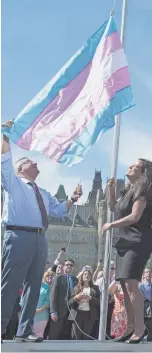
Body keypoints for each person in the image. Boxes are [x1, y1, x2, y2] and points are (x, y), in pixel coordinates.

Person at [1, 120, 82, 342]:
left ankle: (24, 330)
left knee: (34, 285)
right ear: (21, 168)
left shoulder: (43, 192)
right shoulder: (13, 182)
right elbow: (4, 160)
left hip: (39, 238)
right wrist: (4, 134)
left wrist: (72, 199)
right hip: (18, 236)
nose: (36, 163)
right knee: (10, 284)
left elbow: (58, 210)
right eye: (31, 162)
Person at [102, 158, 152, 344]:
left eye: (136, 166)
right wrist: (111, 191)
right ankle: (131, 326)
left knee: (132, 285)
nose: (131, 166)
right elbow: (113, 207)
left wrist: (111, 224)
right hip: (124, 242)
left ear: (143, 173)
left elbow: (134, 217)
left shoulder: (143, 191)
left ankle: (140, 328)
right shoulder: (128, 191)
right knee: (125, 287)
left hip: (137, 240)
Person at [68, 270, 100, 340]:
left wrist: (90, 298)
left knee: (86, 336)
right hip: (77, 315)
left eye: (88, 274)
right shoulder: (76, 288)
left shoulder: (95, 288)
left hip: (89, 315)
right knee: (76, 336)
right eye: (85, 274)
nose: (86, 275)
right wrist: (76, 298)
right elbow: (69, 302)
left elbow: (99, 302)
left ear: (91, 277)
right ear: (82, 276)